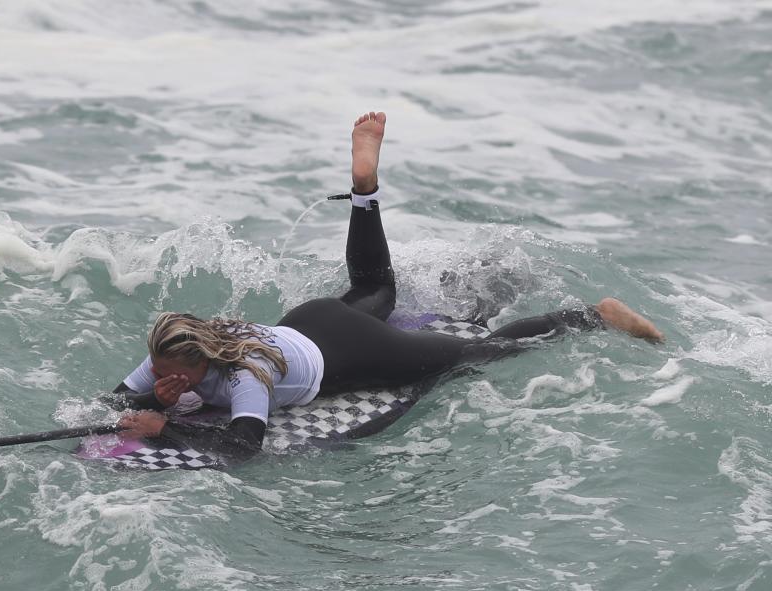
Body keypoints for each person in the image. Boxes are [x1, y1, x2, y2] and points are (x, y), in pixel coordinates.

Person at [110, 112, 663, 458]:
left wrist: (167, 428)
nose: (160, 376)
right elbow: (115, 398)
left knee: (481, 352)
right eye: (158, 370)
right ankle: (364, 190)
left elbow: (243, 447)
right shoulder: (177, 351)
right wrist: (140, 399)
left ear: (199, 366)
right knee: (374, 290)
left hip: (345, 348)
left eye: (172, 375)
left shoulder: (246, 381)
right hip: (313, 318)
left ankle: (597, 315)